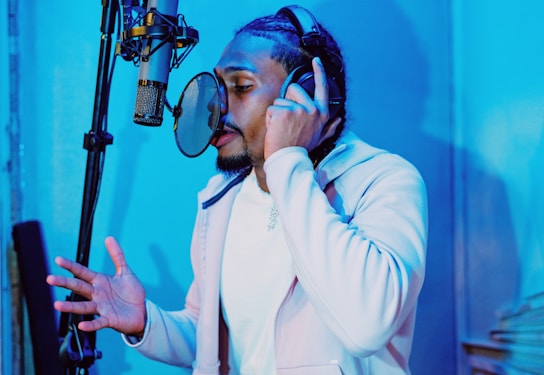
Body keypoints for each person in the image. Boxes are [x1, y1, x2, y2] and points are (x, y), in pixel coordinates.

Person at [47, 5, 427, 374]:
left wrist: (287, 162)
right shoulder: (221, 199)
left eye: (242, 87)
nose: (216, 108)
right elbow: (211, 337)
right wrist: (146, 322)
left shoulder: (384, 181)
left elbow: (367, 326)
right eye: (218, 87)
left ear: (307, 93)